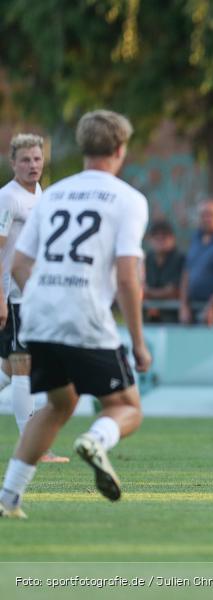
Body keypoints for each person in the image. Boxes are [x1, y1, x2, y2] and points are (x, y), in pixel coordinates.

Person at [0, 109, 151, 519]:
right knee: (127, 407)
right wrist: (138, 342)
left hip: (37, 313)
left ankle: (9, 496)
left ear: (83, 147)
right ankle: (97, 441)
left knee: (57, 404)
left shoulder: (54, 195)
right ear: (120, 149)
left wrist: (47, 299)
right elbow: (126, 277)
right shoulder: (128, 199)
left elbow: (18, 264)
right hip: (83, 314)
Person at [0, 134, 68, 463]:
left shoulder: (42, 196)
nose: (33, 165)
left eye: (37, 159)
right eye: (25, 160)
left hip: (34, 295)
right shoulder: (8, 198)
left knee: (11, 369)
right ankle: (34, 447)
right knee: (22, 365)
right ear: (13, 163)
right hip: (12, 296)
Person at [143, 220, 185, 323]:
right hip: (150, 316)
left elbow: (174, 291)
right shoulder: (149, 258)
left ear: (172, 239)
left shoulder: (180, 259)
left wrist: (149, 293)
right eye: (156, 238)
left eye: (164, 237)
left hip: (174, 317)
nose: (160, 241)